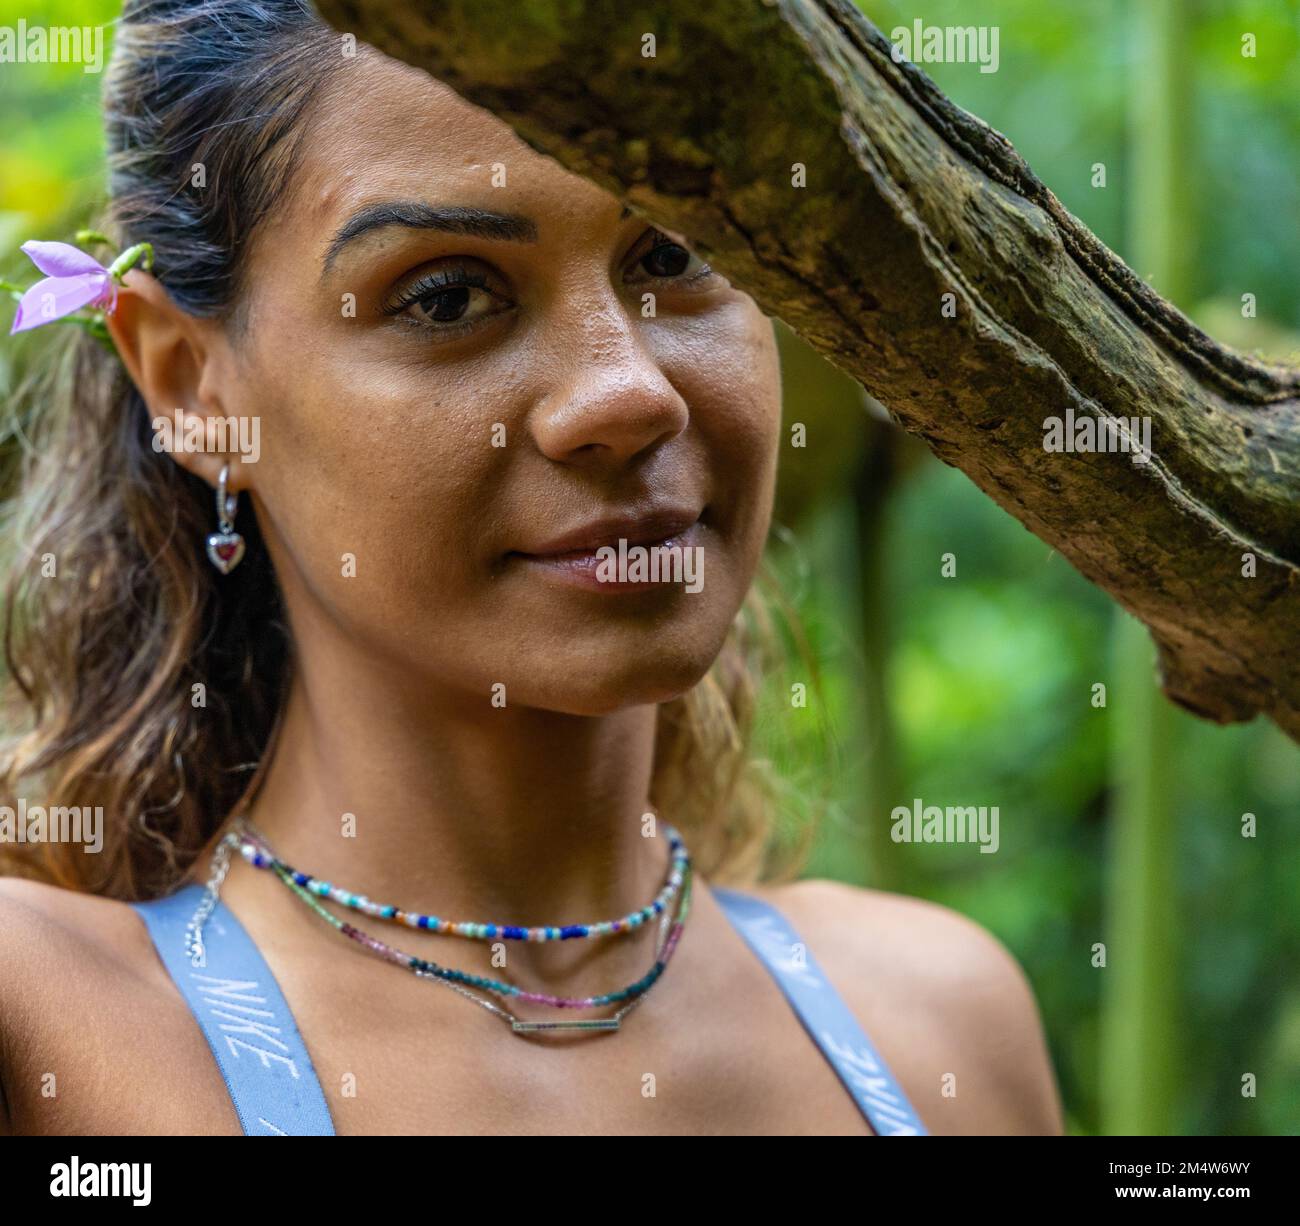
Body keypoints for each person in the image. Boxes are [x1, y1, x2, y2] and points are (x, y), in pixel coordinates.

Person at [0, 0, 1063, 1136]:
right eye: (446, 294)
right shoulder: (53, 1030)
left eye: (673, 253)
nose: (628, 390)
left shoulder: (941, 1026)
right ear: (192, 388)